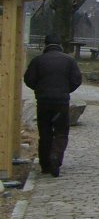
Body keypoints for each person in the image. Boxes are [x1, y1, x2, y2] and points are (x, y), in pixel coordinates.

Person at [24, 33, 82, 177]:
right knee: (61, 132)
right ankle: (56, 156)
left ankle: (45, 165)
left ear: (45, 45)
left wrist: (39, 89)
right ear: (60, 45)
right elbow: (77, 80)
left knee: (45, 132)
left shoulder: (37, 61)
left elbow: (28, 79)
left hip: (43, 102)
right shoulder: (69, 61)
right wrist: (66, 90)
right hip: (61, 102)